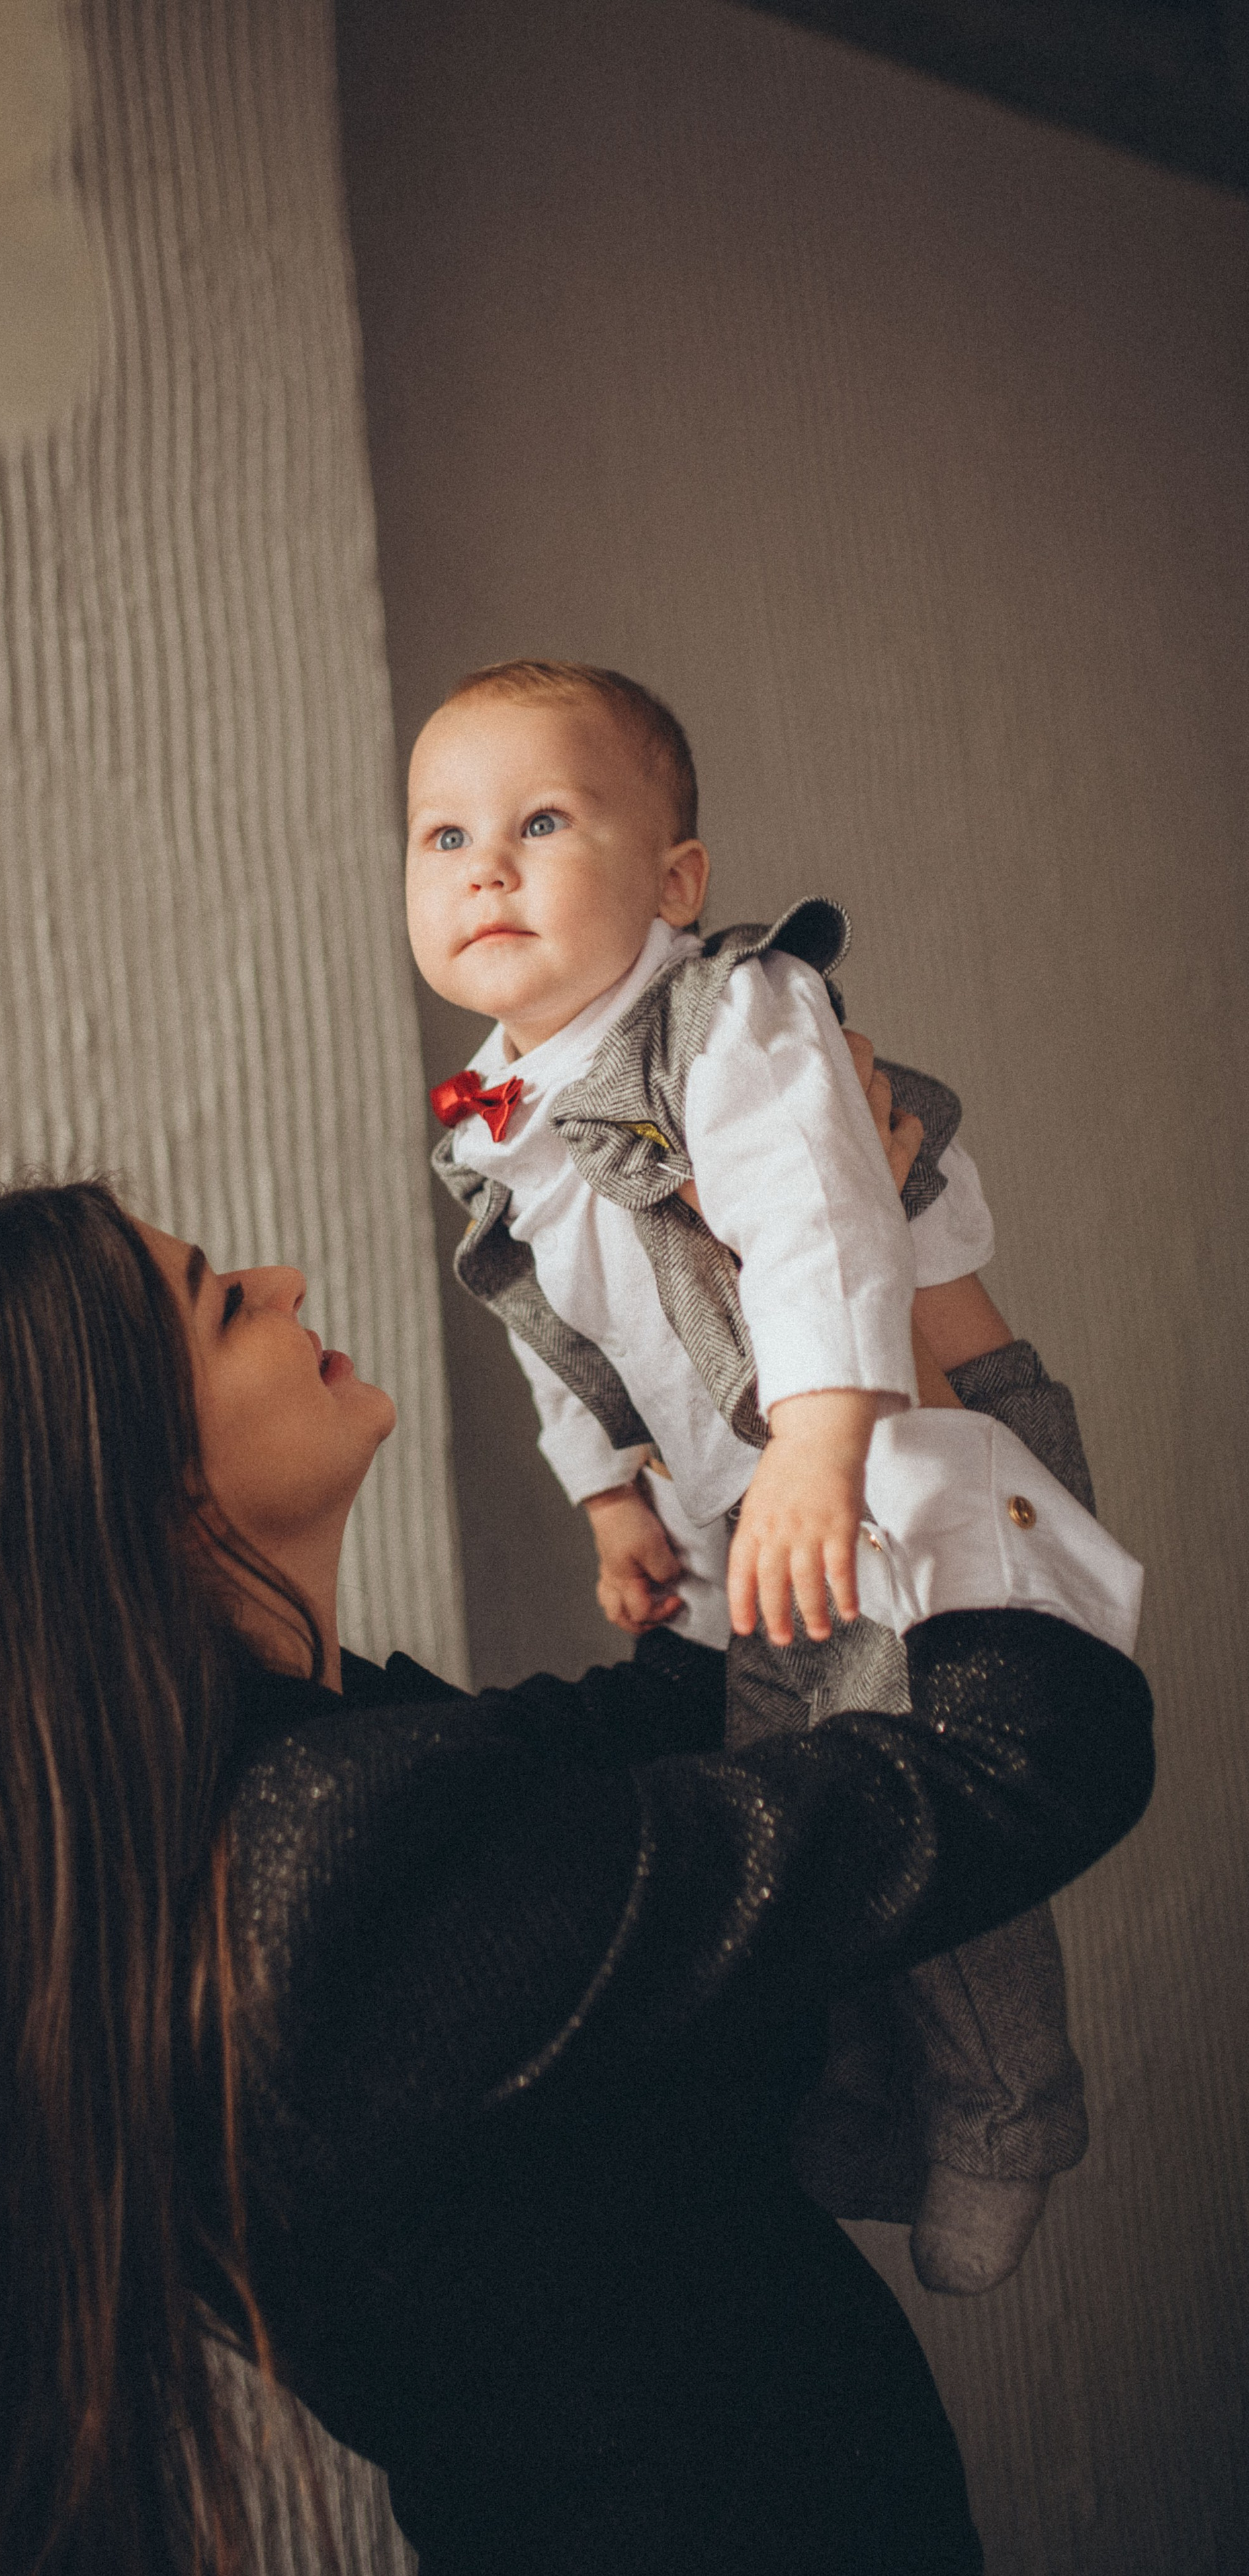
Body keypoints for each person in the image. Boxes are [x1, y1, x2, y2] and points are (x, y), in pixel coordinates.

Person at [0, 1173, 1154, 2576]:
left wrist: (733, 1274)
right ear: (133, 1478)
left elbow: (713, 1715)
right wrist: (881, 1296)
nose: (286, 1281)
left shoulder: (294, 1799)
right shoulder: (327, 1869)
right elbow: (1024, 1759)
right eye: (219, 1303)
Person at [406, 658, 1139, 2293]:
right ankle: (887, 2098)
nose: (484, 868)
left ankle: (1009, 2103)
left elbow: (821, 1214)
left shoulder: (728, 1012)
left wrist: (823, 1442)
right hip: (766, 1490)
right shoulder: (494, 1118)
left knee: (916, 1780)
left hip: (901, 1438)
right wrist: (607, 1495)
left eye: (538, 820)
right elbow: (549, 1326)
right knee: (801, 1802)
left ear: (673, 883)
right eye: (440, 836)